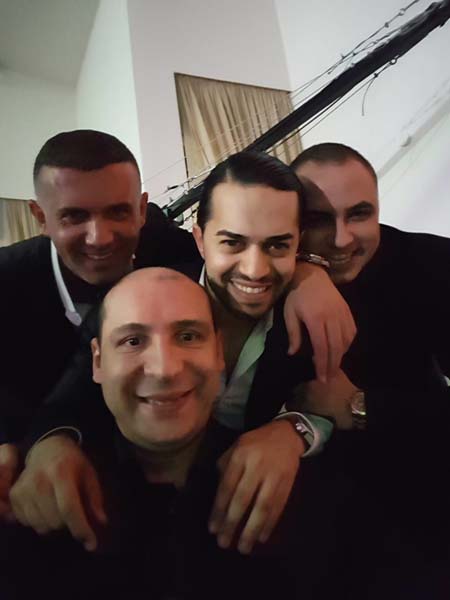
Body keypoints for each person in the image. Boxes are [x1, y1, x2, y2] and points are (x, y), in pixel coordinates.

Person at [0, 131, 355, 513]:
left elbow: (335, 406)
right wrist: (51, 443)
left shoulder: (317, 317)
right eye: (232, 243)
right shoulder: (144, 295)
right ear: (200, 241)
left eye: (277, 245)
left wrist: (294, 431)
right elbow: (67, 400)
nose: (254, 269)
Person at [1, 268, 353, 600]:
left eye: (187, 336)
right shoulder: (31, 501)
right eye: (133, 340)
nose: (165, 369)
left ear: (218, 352)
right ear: (97, 361)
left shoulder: (310, 500)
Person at [290, 142, 450, 596]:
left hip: (422, 504)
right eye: (318, 219)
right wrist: (304, 273)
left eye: (359, 214)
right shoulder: (266, 276)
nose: (341, 239)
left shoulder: (431, 265)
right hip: (311, 527)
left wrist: (361, 407)